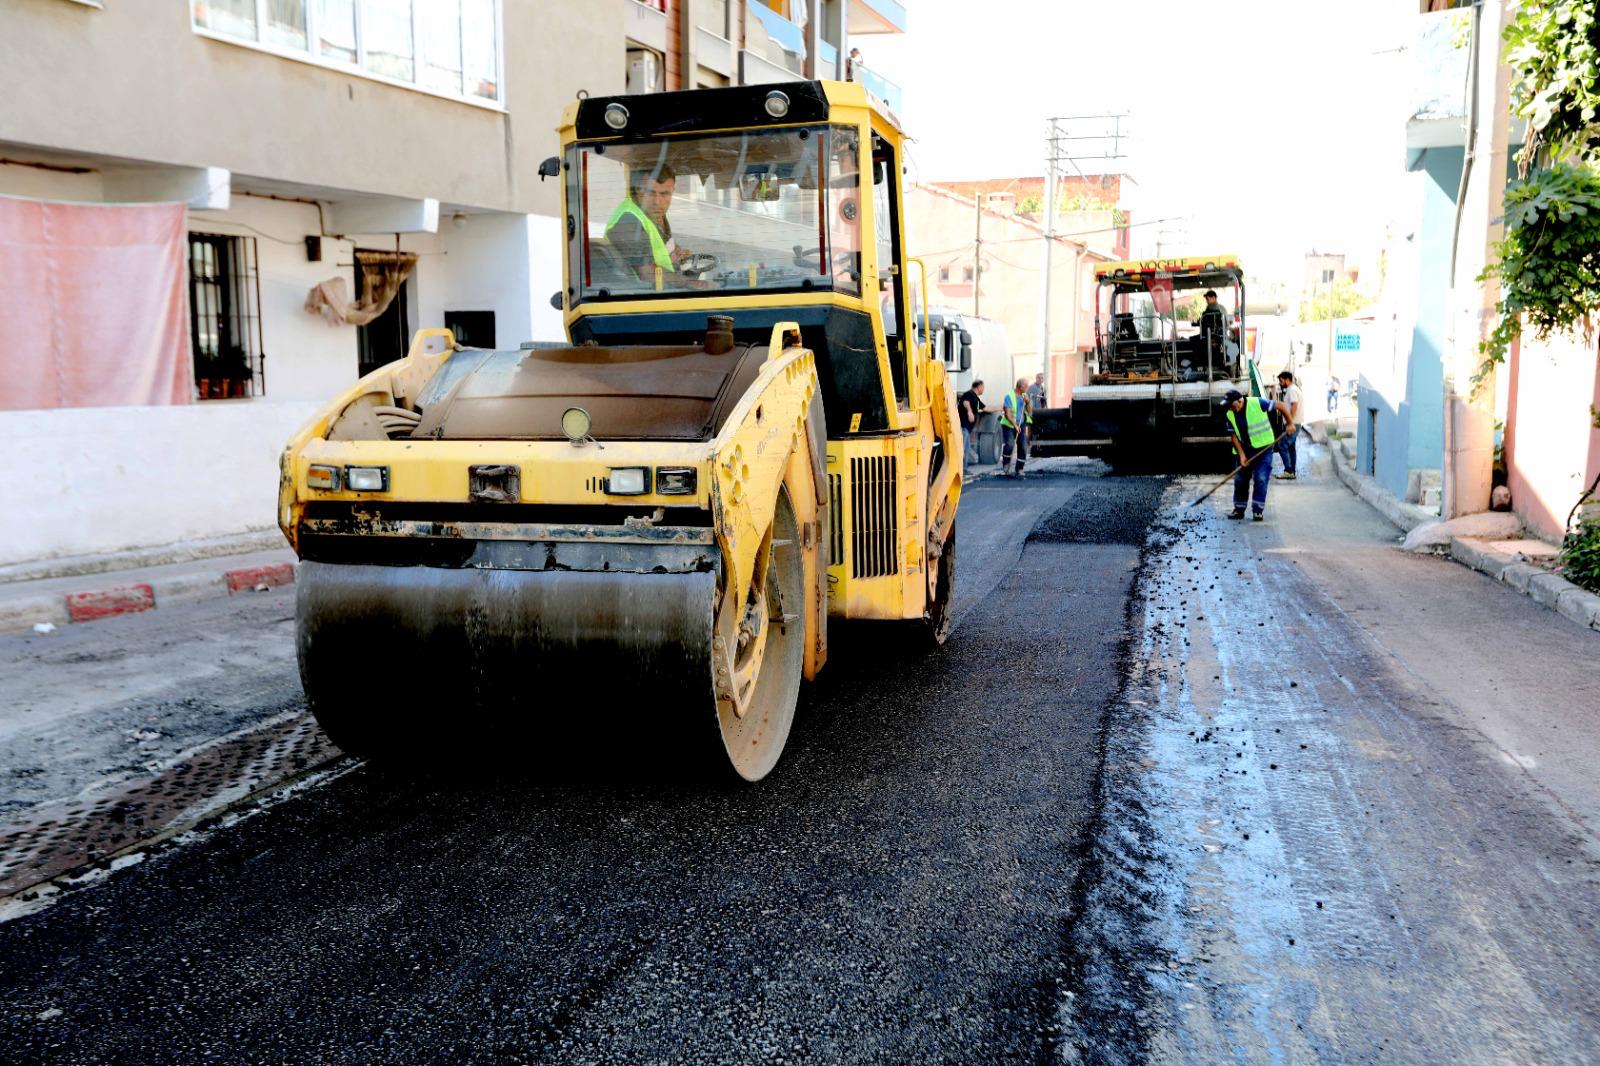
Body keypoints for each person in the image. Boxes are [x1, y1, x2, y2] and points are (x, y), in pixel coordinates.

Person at [606, 164, 695, 284]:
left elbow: (660, 244)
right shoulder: (629, 221)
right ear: (637, 190)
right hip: (638, 296)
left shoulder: (650, 213)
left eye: (665, 194)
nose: (657, 202)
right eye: (650, 193)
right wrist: (690, 283)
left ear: (673, 191)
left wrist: (676, 255)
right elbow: (647, 273)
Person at [1223, 388, 1295, 521]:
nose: (1229, 408)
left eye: (1231, 404)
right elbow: (1233, 437)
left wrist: (1290, 423)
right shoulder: (1230, 413)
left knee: (1261, 478)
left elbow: (1281, 405)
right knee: (1240, 480)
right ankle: (1239, 509)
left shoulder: (1257, 403)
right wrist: (1242, 456)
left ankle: (1257, 511)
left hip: (1264, 449)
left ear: (1240, 402)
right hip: (1244, 450)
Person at [1273, 370, 1303, 480]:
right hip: (1294, 423)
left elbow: (1294, 406)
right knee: (1291, 448)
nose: (1280, 383)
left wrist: (1290, 423)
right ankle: (1292, 471)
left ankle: (1288, 470)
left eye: (1281, 381)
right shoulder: (1293, 390)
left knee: (1282, 446)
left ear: (1287, 380)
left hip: (1293, 424)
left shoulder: (1292, 391)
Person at [1001, 377, 1032, 477]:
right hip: (1009, 425)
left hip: (1021, 424)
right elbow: (1008, 413)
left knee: (1023, 445)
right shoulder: (1009, 396)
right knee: (1010, 444)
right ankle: (1006, 463)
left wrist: (1027, 402)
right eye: (1026, 386)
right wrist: (1015, 425)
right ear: (1020, 386)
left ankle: (1019, 468)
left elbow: (1029, 411)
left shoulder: (1024, 395)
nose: (1027, 388)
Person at [958, 379, 984, 465]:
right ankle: (961, 470)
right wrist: (969, 411)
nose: (983, 389)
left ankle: (964, 469)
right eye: (983, 387)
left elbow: (985, 408)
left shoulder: (976, 398)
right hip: (963, 427)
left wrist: (1000, 408)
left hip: (967, 429)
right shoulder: (969, 394)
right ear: (979, 386)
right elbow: (965, 402)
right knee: (963, 449)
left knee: (967, 449)